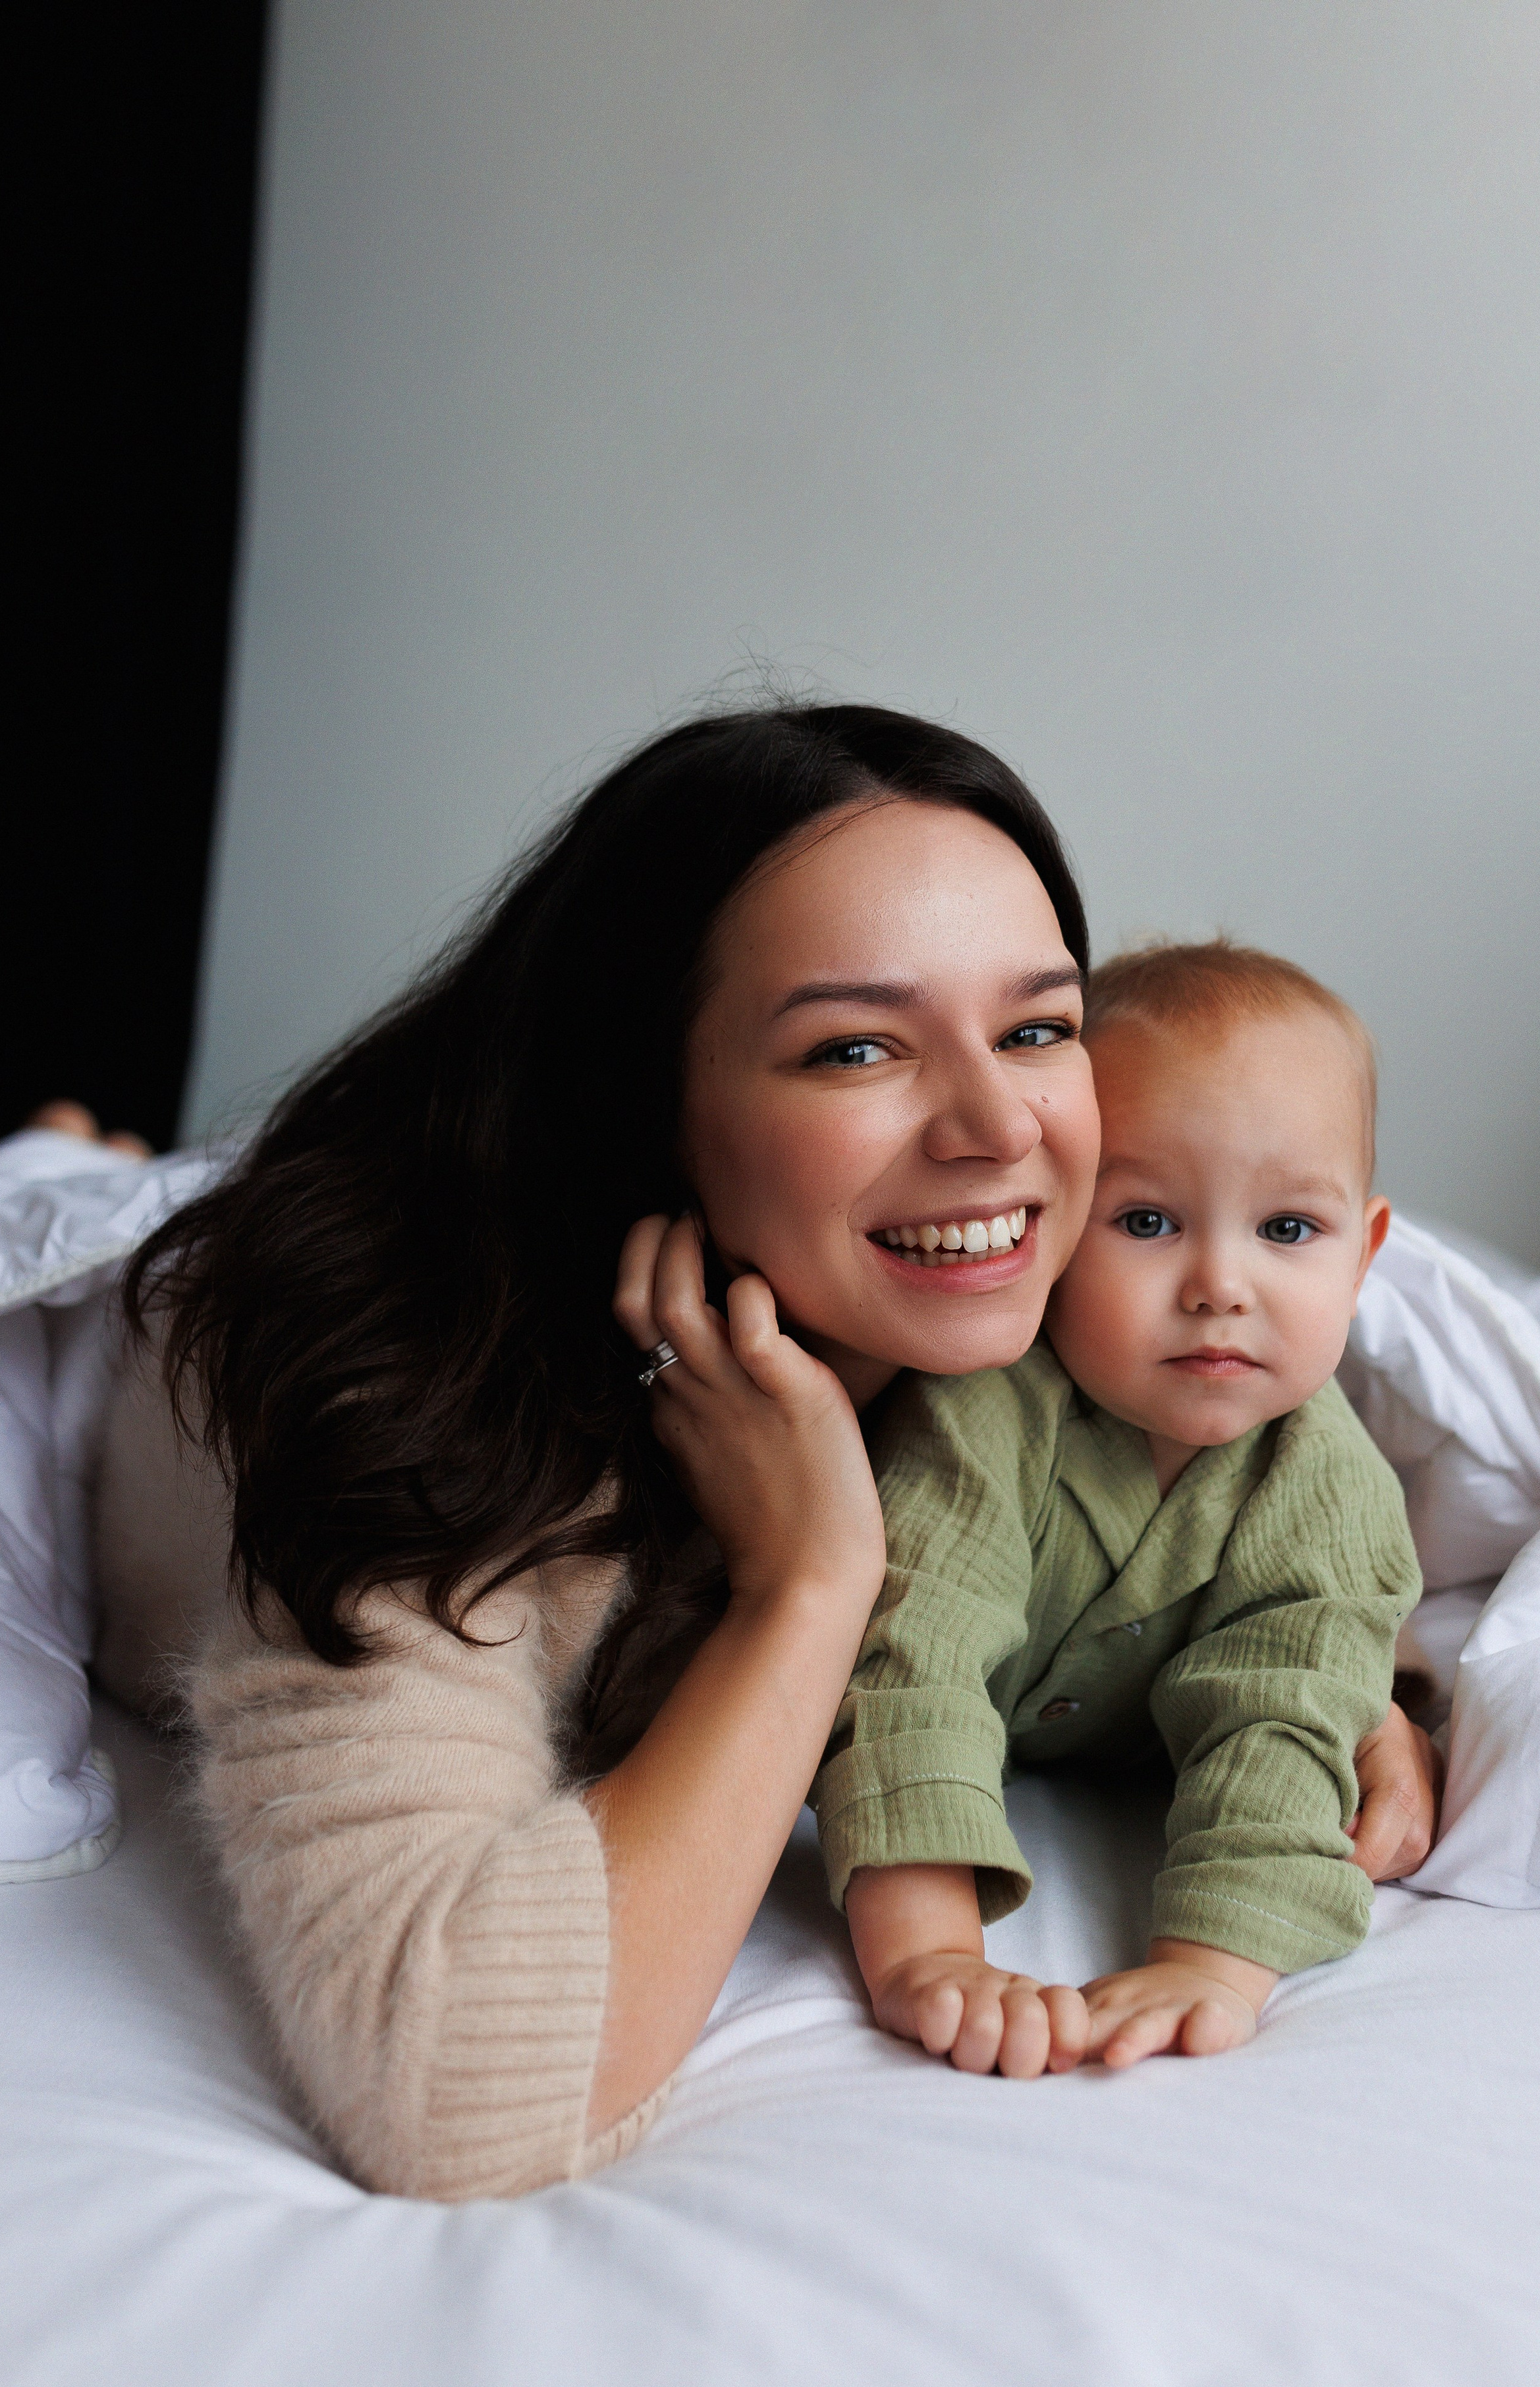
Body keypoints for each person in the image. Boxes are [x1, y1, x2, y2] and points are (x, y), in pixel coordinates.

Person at [88, 707, 1438, 2199]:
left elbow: (1227, 1538)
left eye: (1037, 1027)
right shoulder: (421, 1433)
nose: (999, 1127)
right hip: (194, 1365)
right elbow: (455, 2098)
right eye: (853, 1047)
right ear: (648, 1106)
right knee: (72, 1199)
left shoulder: (1086, 1317)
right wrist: (809, 1582)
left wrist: (1337, 1675)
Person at [810, 941, 1424, 2080]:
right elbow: (907, 1659)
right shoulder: (983, 1411)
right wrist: (927, 1953)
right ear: (1054, 1224)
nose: (1220, 1285)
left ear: (1364, 1254)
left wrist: (1214, 1964)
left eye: (1288, 1230)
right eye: (1147, 1223)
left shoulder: (1329, 1487)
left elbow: (1282, 1725)